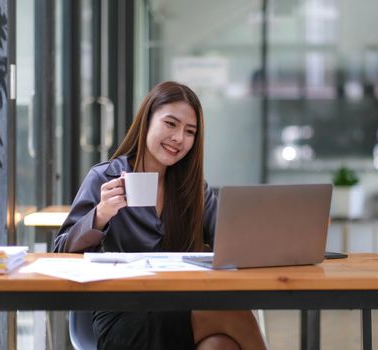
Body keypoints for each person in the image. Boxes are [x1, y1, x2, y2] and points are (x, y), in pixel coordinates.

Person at [54, 81, 266, 350]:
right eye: (170, 124)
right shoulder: (104, 177)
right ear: (147, 120)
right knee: (228, 311)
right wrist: (100, 215)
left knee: (220, 345)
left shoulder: (193, 188)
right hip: (123, 315)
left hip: (180, 303)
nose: (179, 138)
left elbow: (230, 240)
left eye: (190, 131)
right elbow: (59, 251)